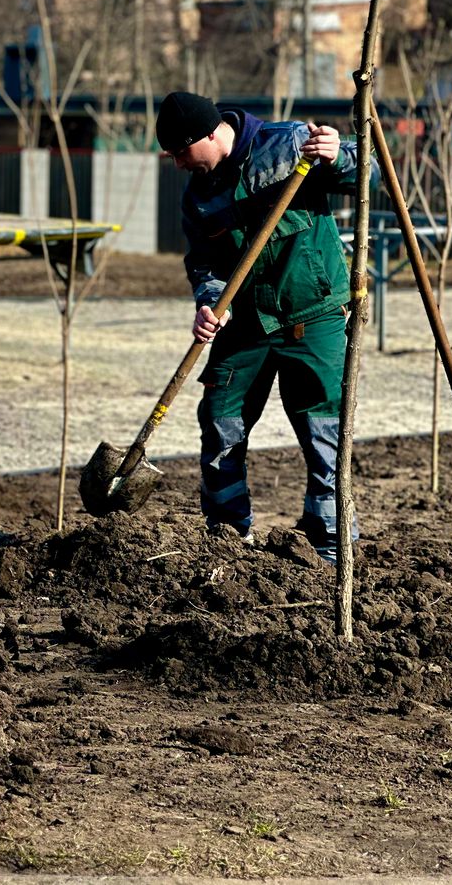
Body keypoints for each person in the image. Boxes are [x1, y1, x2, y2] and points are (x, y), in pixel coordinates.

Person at [156, 91, 377, 562]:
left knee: (323, 428)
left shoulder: (288, 144)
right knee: (220, 418)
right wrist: (210, 304)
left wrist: (338, 155)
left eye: (180, 152)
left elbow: (366, 174)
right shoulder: (199, 196)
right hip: (246, 324)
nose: (178, 164)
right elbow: (204, 264)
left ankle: (329, 544)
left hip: (311, 314)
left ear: (209, 134)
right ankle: (227, 537)